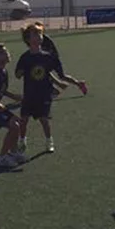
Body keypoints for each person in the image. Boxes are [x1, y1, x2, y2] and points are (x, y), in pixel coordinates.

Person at [15, 23, 88, 154]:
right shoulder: (25, 58)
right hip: (29, 95)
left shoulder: (48, 57)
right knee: (23, 120)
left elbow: (60, 73)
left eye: (40, 34)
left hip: (43, 95)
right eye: (35, 35)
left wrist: (60, 79)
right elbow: (18, 74)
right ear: (28, 39)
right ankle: (22, 141)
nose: (39, 37)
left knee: (44, 120)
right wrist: (20, 71)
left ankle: (49, 141)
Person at [22, 20, 66, 97]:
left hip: (50, 59)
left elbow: (50, 50)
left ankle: (56, 87)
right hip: (44, 60)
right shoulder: (26, 56)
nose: (39, 35)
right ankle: (55, 87)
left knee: (44, 72)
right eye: (36, 33)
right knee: (41, 72)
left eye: (39, 32)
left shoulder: (45, 40)